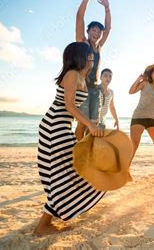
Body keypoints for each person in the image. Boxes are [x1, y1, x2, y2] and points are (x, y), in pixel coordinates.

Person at [35, 42, 105, 236]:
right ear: (79, 56)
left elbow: (76, 110)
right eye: (88, 54)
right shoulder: (72, 74)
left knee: (68, 173)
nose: (92, 57)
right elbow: (69, 107)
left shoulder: (83, 77)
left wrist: (90, 124)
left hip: (62, 126)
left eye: (92, 55)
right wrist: (90, 125)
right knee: (64, 174)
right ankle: (42, 226)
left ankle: (45, 223)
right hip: (53, 127)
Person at [75, 0, 112, 141]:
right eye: (94, 30)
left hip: (95, 88)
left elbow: (108, 28)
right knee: (83, 124)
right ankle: (77, 150)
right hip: (82, 87)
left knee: (94, 123)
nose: (97, 34)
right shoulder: (82, 42)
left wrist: (107, 8)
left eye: (99, 32)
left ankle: (88, 152)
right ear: (88, 31)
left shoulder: (98, 47)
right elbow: (79, 17)